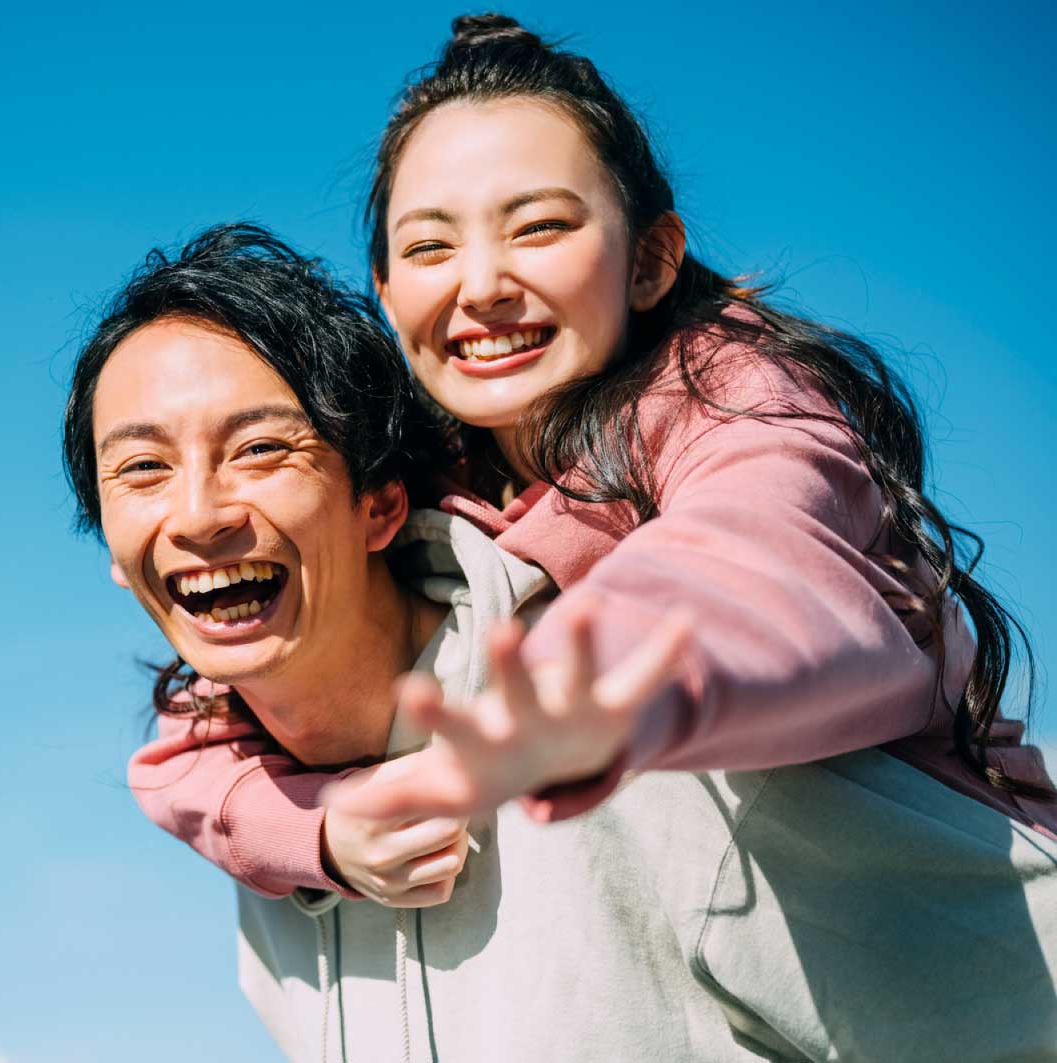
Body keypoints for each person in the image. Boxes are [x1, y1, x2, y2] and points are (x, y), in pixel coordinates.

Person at [127, 13, 1056, 918]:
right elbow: (189, 742)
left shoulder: (736, 397)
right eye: (429, 246)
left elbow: (757, 558)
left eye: (538, 228)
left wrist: (602, 677)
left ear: (651, 260)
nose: (480, 285)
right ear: (386, 290)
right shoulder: (427, 478)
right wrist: (318, 835)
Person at [63, 224, 1057, 1061]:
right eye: (141, 469)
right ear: (111, 548)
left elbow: (1026, 988)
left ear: (378, 502)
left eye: (258, 449)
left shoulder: (626, 727)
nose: (196, 515)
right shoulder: (277, 873)